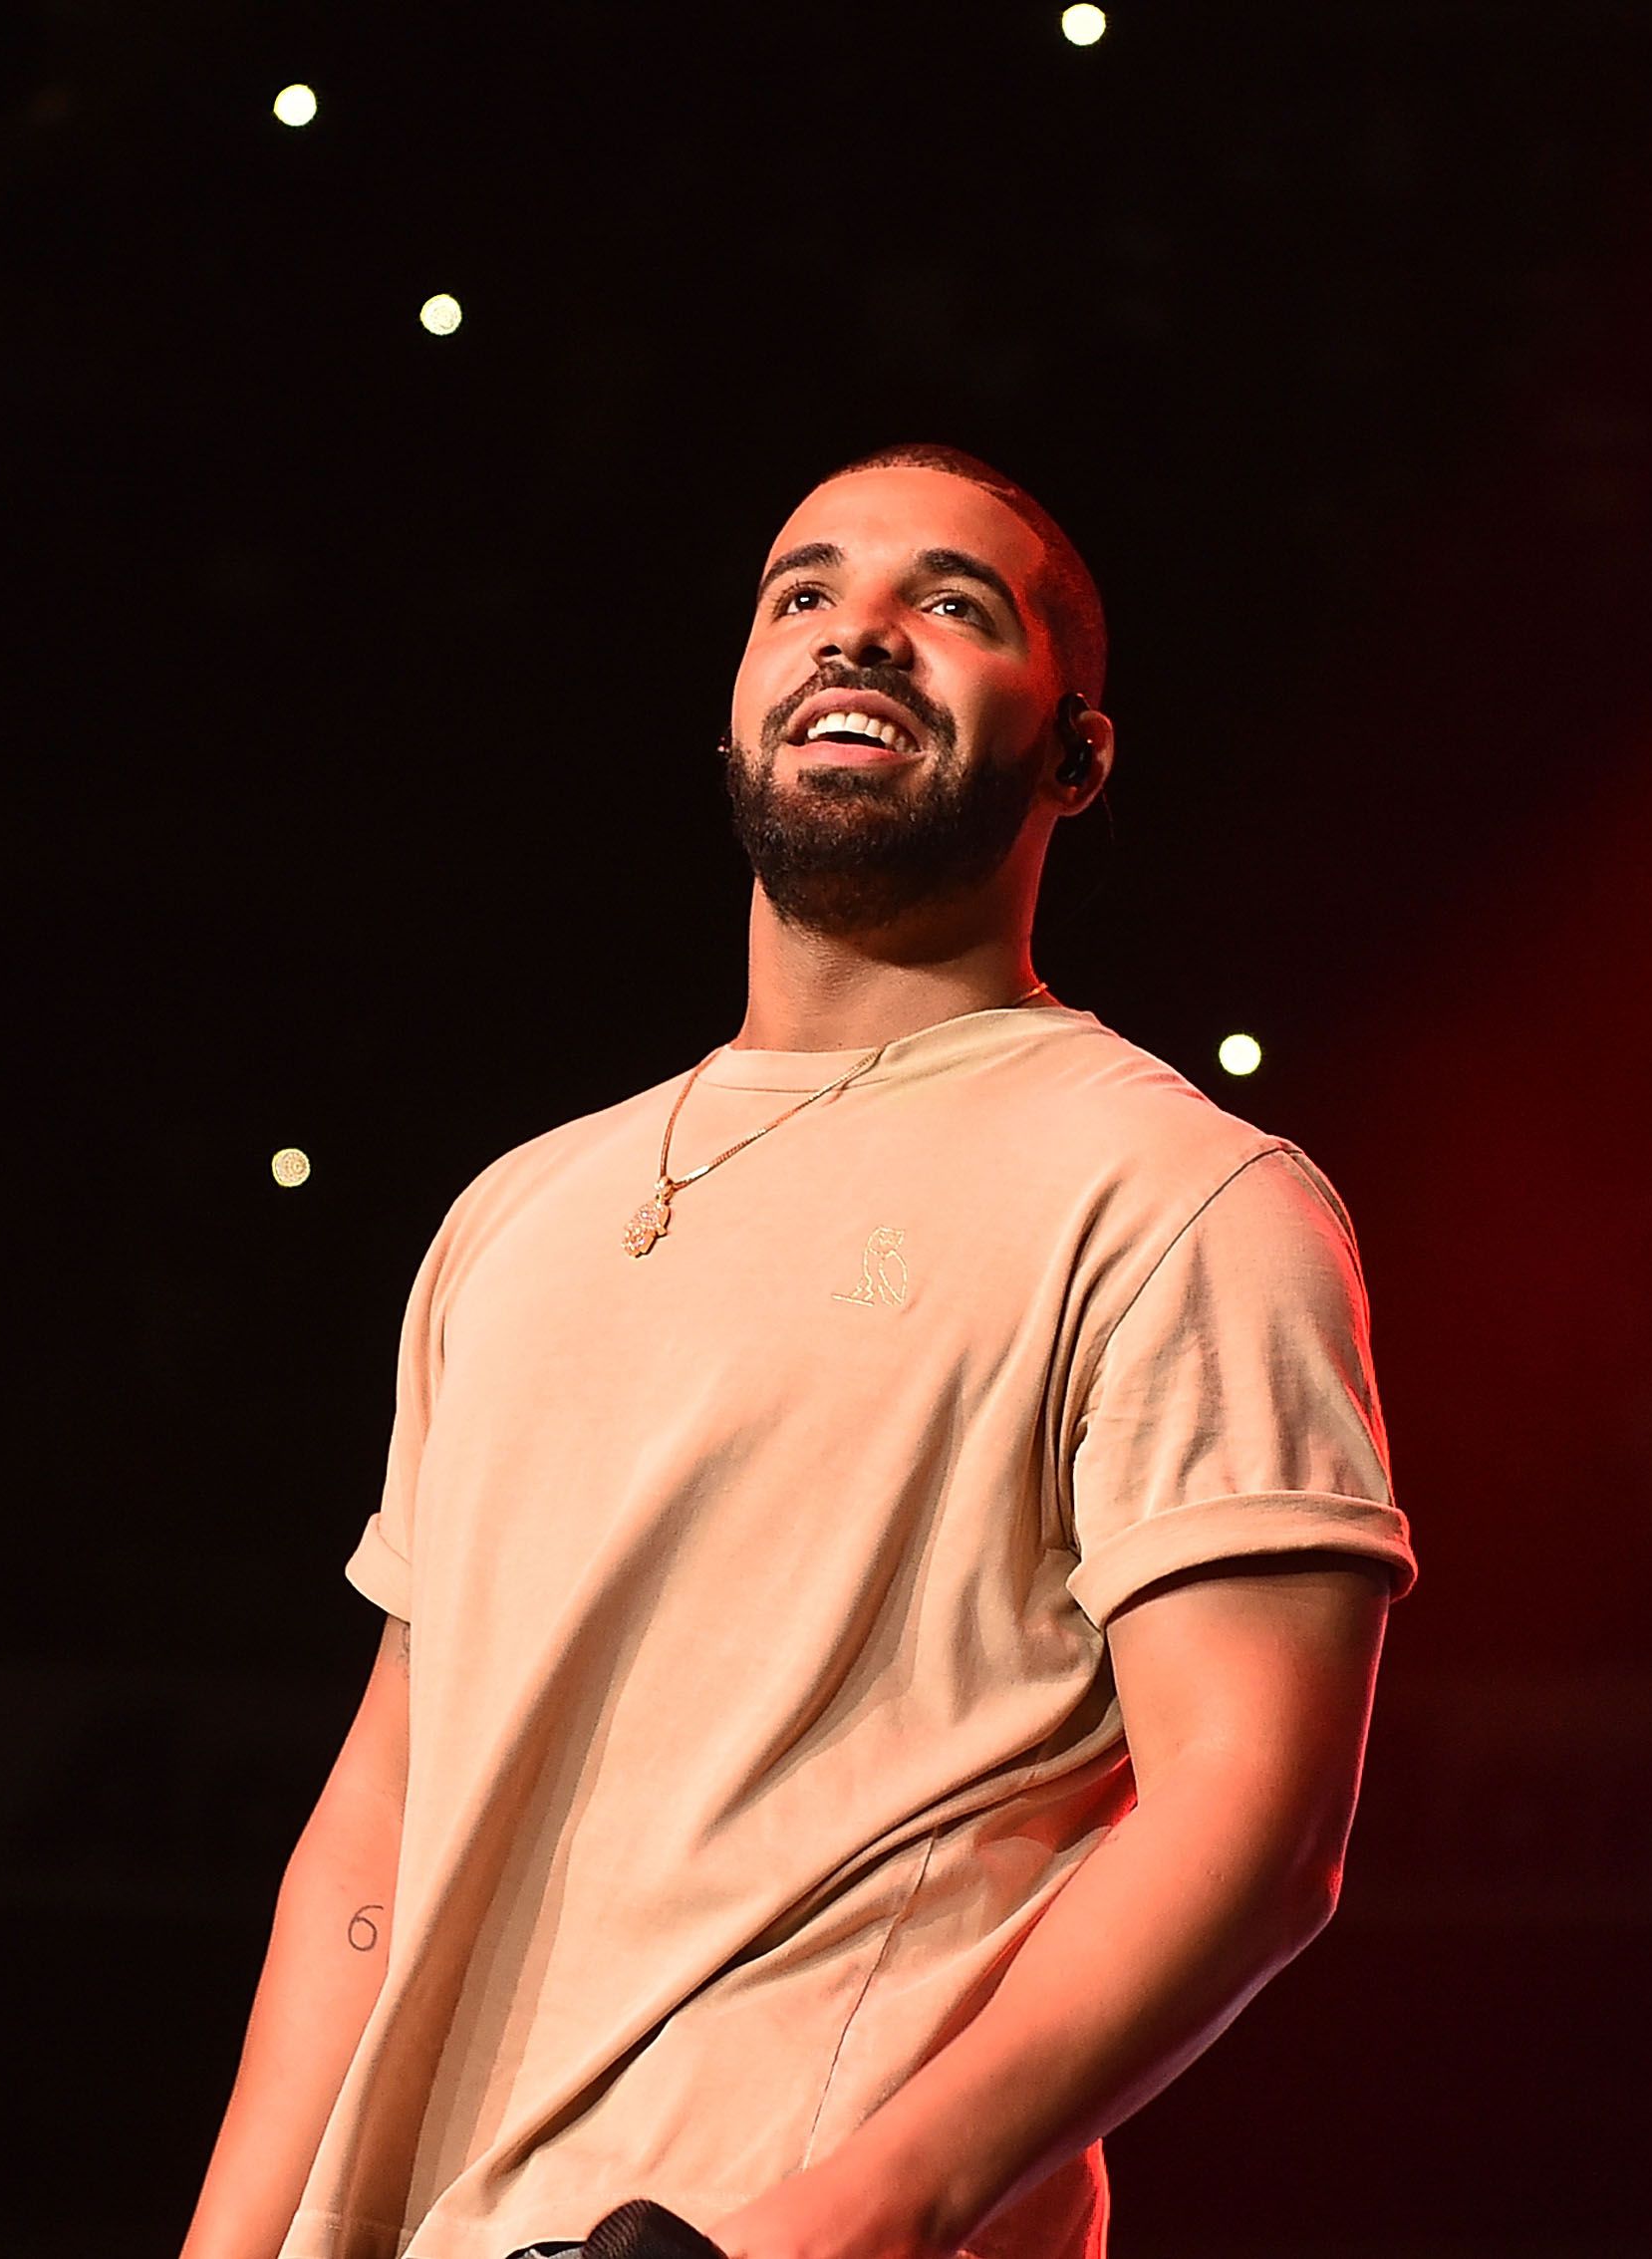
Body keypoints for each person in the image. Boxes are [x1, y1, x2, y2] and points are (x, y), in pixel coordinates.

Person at [177, 445, 1414, 2259]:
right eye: (804, 596)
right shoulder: (515, 1214)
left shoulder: (1179, 1196)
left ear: (1077, 751)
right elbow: (377, 1827)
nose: (862, 635)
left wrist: (868, 2213)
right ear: (744, 699)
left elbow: (1254, 1824)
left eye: (953, 605)